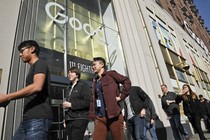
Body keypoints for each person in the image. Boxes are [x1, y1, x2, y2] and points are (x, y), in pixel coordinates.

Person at [0, 40, 53, 140]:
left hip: (38, 119)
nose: (20, 55)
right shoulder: (34, 67)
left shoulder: (40, 63)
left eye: (22, 51)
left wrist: (8, 97)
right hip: (27, 120)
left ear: (32, 49)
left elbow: (37, 86)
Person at [89, 57, 131, 140]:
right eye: (92, 65)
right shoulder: (95, 81)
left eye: (94, 64)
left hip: (114, 116)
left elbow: (126, 81)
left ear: (102, 64)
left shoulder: (111, 74)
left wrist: (121, 97)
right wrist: (92, 114)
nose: (92, 67)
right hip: (100, 117)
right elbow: (93, 99)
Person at [62, 67, 92, 140]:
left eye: (71, 72)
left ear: (77, 74)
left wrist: (71, 105)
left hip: (80, 118)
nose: (69, 74)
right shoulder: (68, 87)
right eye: (68, 73)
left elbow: (88, 102)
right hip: (69, 119)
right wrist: (65, 119)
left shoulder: (83, 85)